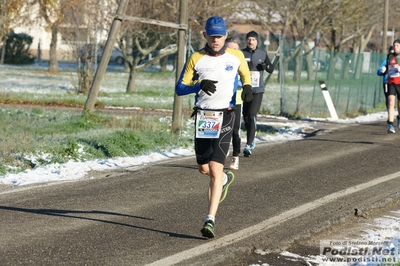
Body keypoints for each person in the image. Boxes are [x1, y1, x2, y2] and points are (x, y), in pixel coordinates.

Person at [175, 16, 252, 238]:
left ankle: (210, 220)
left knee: (216, 168)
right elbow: (180, 88)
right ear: (205, 36)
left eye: (220, 36)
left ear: (226, 36)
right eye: (212, 36)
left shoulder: (236, 55)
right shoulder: (196, 58)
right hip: (203, 117)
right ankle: (225, 180)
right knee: (203, 168)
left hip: (226, 115)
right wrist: (199, 84)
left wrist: (246, 86)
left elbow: (245, 73)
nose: (216, 40)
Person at [241, 30, 274, 156]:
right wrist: (244, 67)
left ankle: (249, 144)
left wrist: (265, 67)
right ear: (246, 41)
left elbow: (271, 68)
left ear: (257, 41)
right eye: (249, 39)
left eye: (253, 39)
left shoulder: (262, 53)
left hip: (258, 90)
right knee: (246, 117)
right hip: (245, 88)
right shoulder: (242, 53)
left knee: (251, 114)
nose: (251, 41)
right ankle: (251, 138)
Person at [225, 37, 243, 170]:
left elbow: (246, 80)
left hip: (236, 101)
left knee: (235, 131)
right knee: (220, 130)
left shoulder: (240, 64)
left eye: (235, 49)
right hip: (221, 101)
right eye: (229, 49)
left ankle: (235, 157)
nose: (232, 52)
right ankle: (218, 155)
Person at [377, 46, 398, 126]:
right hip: (387, 82)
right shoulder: (385, 61)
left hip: (398, 83)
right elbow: (378, 72)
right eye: (391, 52)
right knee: (389, 101)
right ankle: (390, 118)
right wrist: (382, 71)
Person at [386, 39, 400, 133]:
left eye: (397, 45)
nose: (395, 47)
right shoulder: (390, 56)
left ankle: (399, 118)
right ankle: (390, 125)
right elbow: (388, 67)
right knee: (391, 103)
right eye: (394, 45)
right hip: (391, 83)